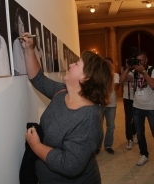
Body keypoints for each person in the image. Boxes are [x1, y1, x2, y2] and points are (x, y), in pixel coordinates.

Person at [21, 33, 114, 183]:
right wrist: (29, 49)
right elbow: (38, 79)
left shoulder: (88, 120)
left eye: (77, 64)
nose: (71, 65)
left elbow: (68, 165)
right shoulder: (61, 91)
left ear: (86, 78)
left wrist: (35, 145)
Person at [119, 51, 154, 166]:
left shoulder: (152, 70)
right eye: (137, 61)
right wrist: (127, 68)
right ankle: (144, 155)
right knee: (140, 133)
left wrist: (143, 72)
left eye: (141, 61)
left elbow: (153, 85)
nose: (139, 63)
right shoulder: (134, 72)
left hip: (151, 108)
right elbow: (121, 81)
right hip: (137, 107)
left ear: (146, 60)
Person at [100, 57, 120, 154]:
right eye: (106, 64)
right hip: (100, 104)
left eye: (109, 64)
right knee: (98, 126)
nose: (108, 66)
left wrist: (110, 74)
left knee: (111, 126)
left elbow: (116, 87)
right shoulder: (99, 75)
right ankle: (97, 147)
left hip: (111, 105)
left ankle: (108, 145)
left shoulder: (115, 75)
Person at [120, 62, 137, 150]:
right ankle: (129, 139)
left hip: (137, 97)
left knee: (136, 118)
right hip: (128, 98)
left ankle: (133, 134)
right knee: (128, 118)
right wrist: (127, 69)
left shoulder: (138, 71)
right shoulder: (126, 71)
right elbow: (121, 81)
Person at [12, 7, 27, 75]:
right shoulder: (16, 43)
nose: (21, 28)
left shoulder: (27, 44)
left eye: (22, 24)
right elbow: (16, 72)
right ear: (17, 25)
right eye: (19, 23)